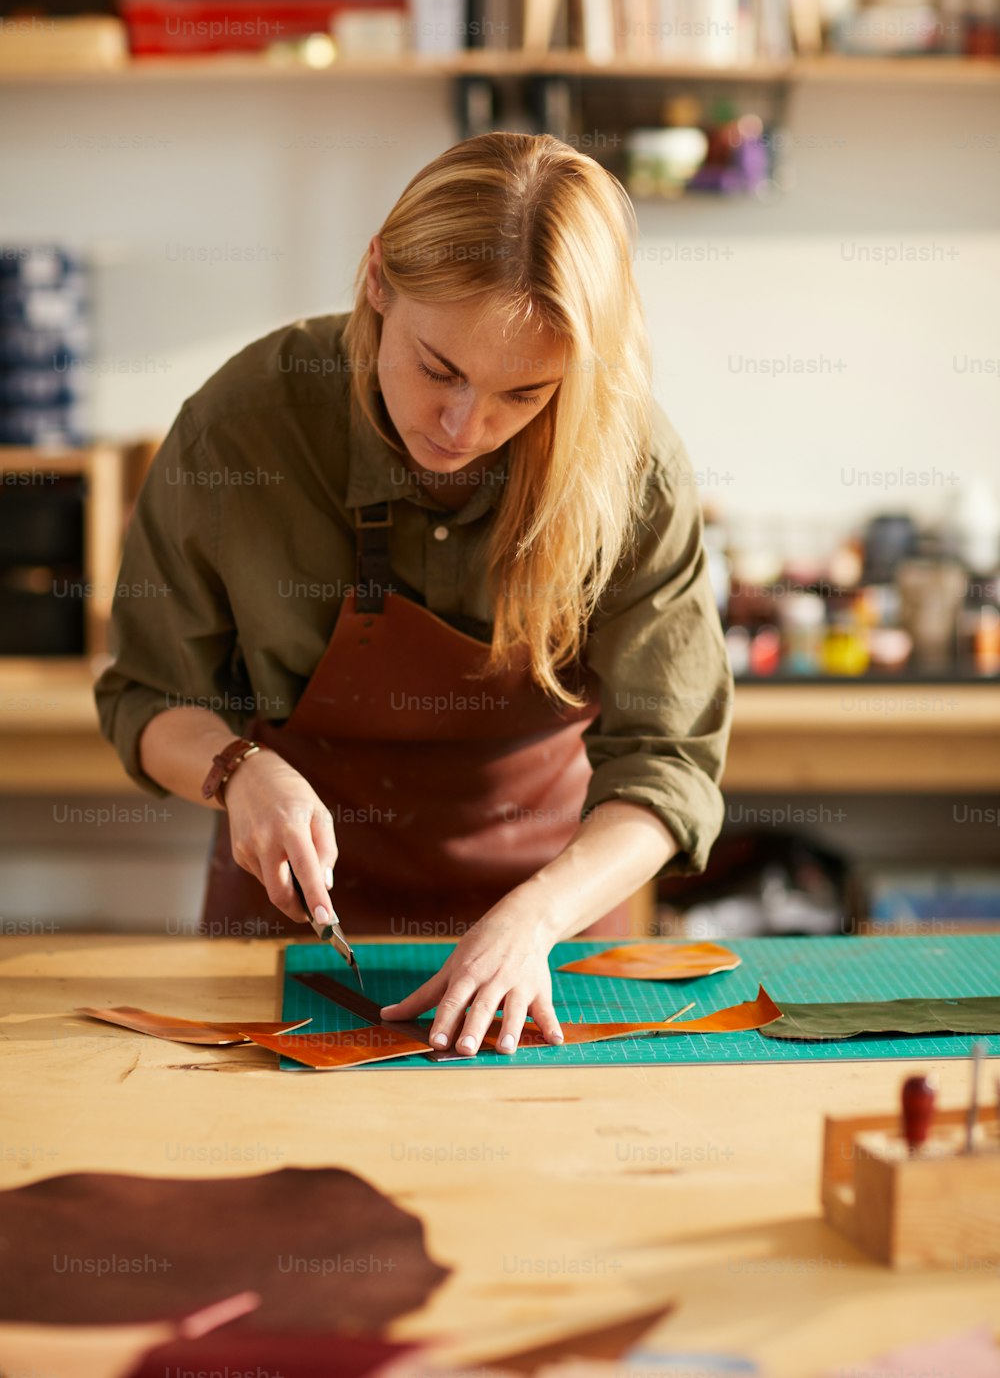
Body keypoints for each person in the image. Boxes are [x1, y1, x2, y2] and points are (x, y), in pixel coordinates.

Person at [95, 131, 733, 1058]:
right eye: (440, 370)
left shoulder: (629, 467)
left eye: (525, 394)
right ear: (378, 279)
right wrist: (238, 771)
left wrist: (536, 919)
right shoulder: (240, 432)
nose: (465, 426)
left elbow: (671, 764)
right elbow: (150, 697)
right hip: (292, 931)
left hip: (552, 928)